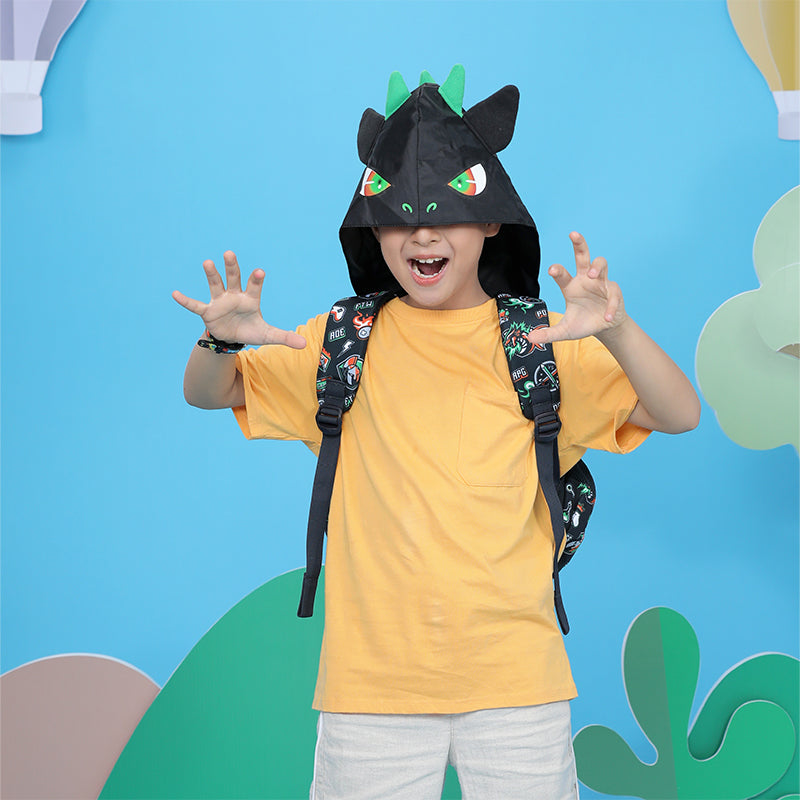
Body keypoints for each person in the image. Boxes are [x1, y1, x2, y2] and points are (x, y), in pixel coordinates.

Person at [173, 66, 700, 800]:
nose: (422, 232)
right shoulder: (341, 342)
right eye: (399, 217)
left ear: (491, 221)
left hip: (517, 686)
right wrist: (220, 341)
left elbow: (678, 413)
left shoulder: (540, 344)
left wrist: (616, 330)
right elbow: (212, 393)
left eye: (447, 212)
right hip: (370, 692)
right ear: (374, 229)